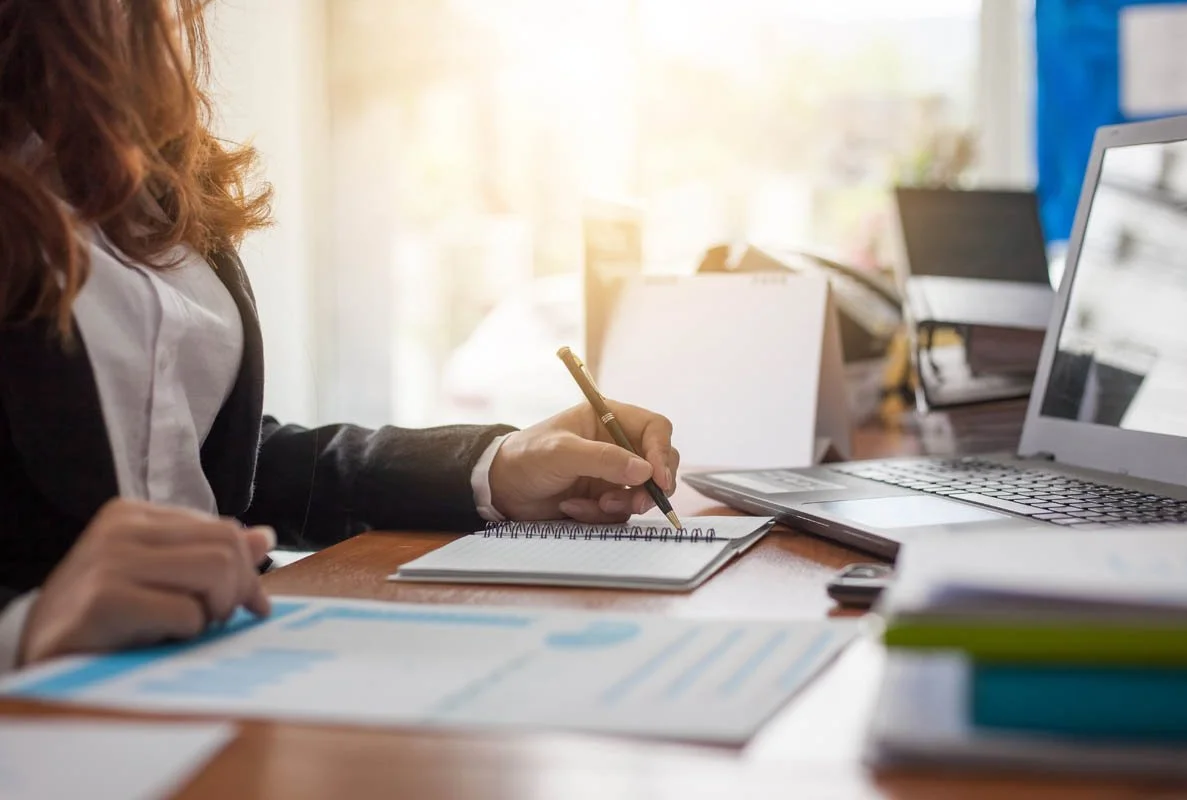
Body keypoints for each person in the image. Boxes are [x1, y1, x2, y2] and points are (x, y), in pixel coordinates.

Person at [0, 0, 678, 671]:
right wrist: (24, 628)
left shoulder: (141, 168)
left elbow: (216, 468)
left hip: (237, 658)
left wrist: (495, 469)